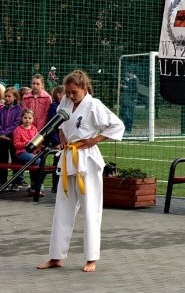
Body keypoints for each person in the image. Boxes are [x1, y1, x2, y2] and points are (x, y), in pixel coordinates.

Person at [37, 69, 125, 273]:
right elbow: (60, 122)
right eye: (67, 92)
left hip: (87, 160)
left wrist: (96, 139)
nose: (70, 95)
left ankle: (91, 258)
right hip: (68, 157)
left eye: (74, 92)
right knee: (62, 209)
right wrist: (61, 135)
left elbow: (117, 125)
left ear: (85, 88)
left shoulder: (95, 105)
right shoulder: (65, 102)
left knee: (90, 209)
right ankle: (56, 256)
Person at [12, 109, 47, 197]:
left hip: (33, 153)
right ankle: (37, 186)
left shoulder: (34, 129)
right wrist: (26, 144)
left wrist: (40, 145)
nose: (27, 120)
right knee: (39, 162)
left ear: (33, 119)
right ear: (21, 118)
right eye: (25, 117)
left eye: (29, 118)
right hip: (21, 153)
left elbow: (38, 141)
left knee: (39, 165)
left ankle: (34, 187)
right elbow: (16, 144)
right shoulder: (18, 130)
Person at [0, 87, 23, 190]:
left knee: (15, 159)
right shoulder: (2, 109)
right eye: (5, 96)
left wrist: (6, 133)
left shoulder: (19, 109)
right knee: (2, 159)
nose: (7, 98)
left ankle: (15, 182)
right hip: (2, 138)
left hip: (14, 138)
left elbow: (16, 123)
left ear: (15, 97)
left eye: (9, 96)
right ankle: (3, 181)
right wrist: (2, 133)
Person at [47, 85, 65, 193]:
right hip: (58, 141)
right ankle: (55, 185)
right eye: (65, 94)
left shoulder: (66, 107)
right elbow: (52, 127)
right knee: (57, 163)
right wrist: (56, 142)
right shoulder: (54, 108)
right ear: (59, 95)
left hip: (66, 141)